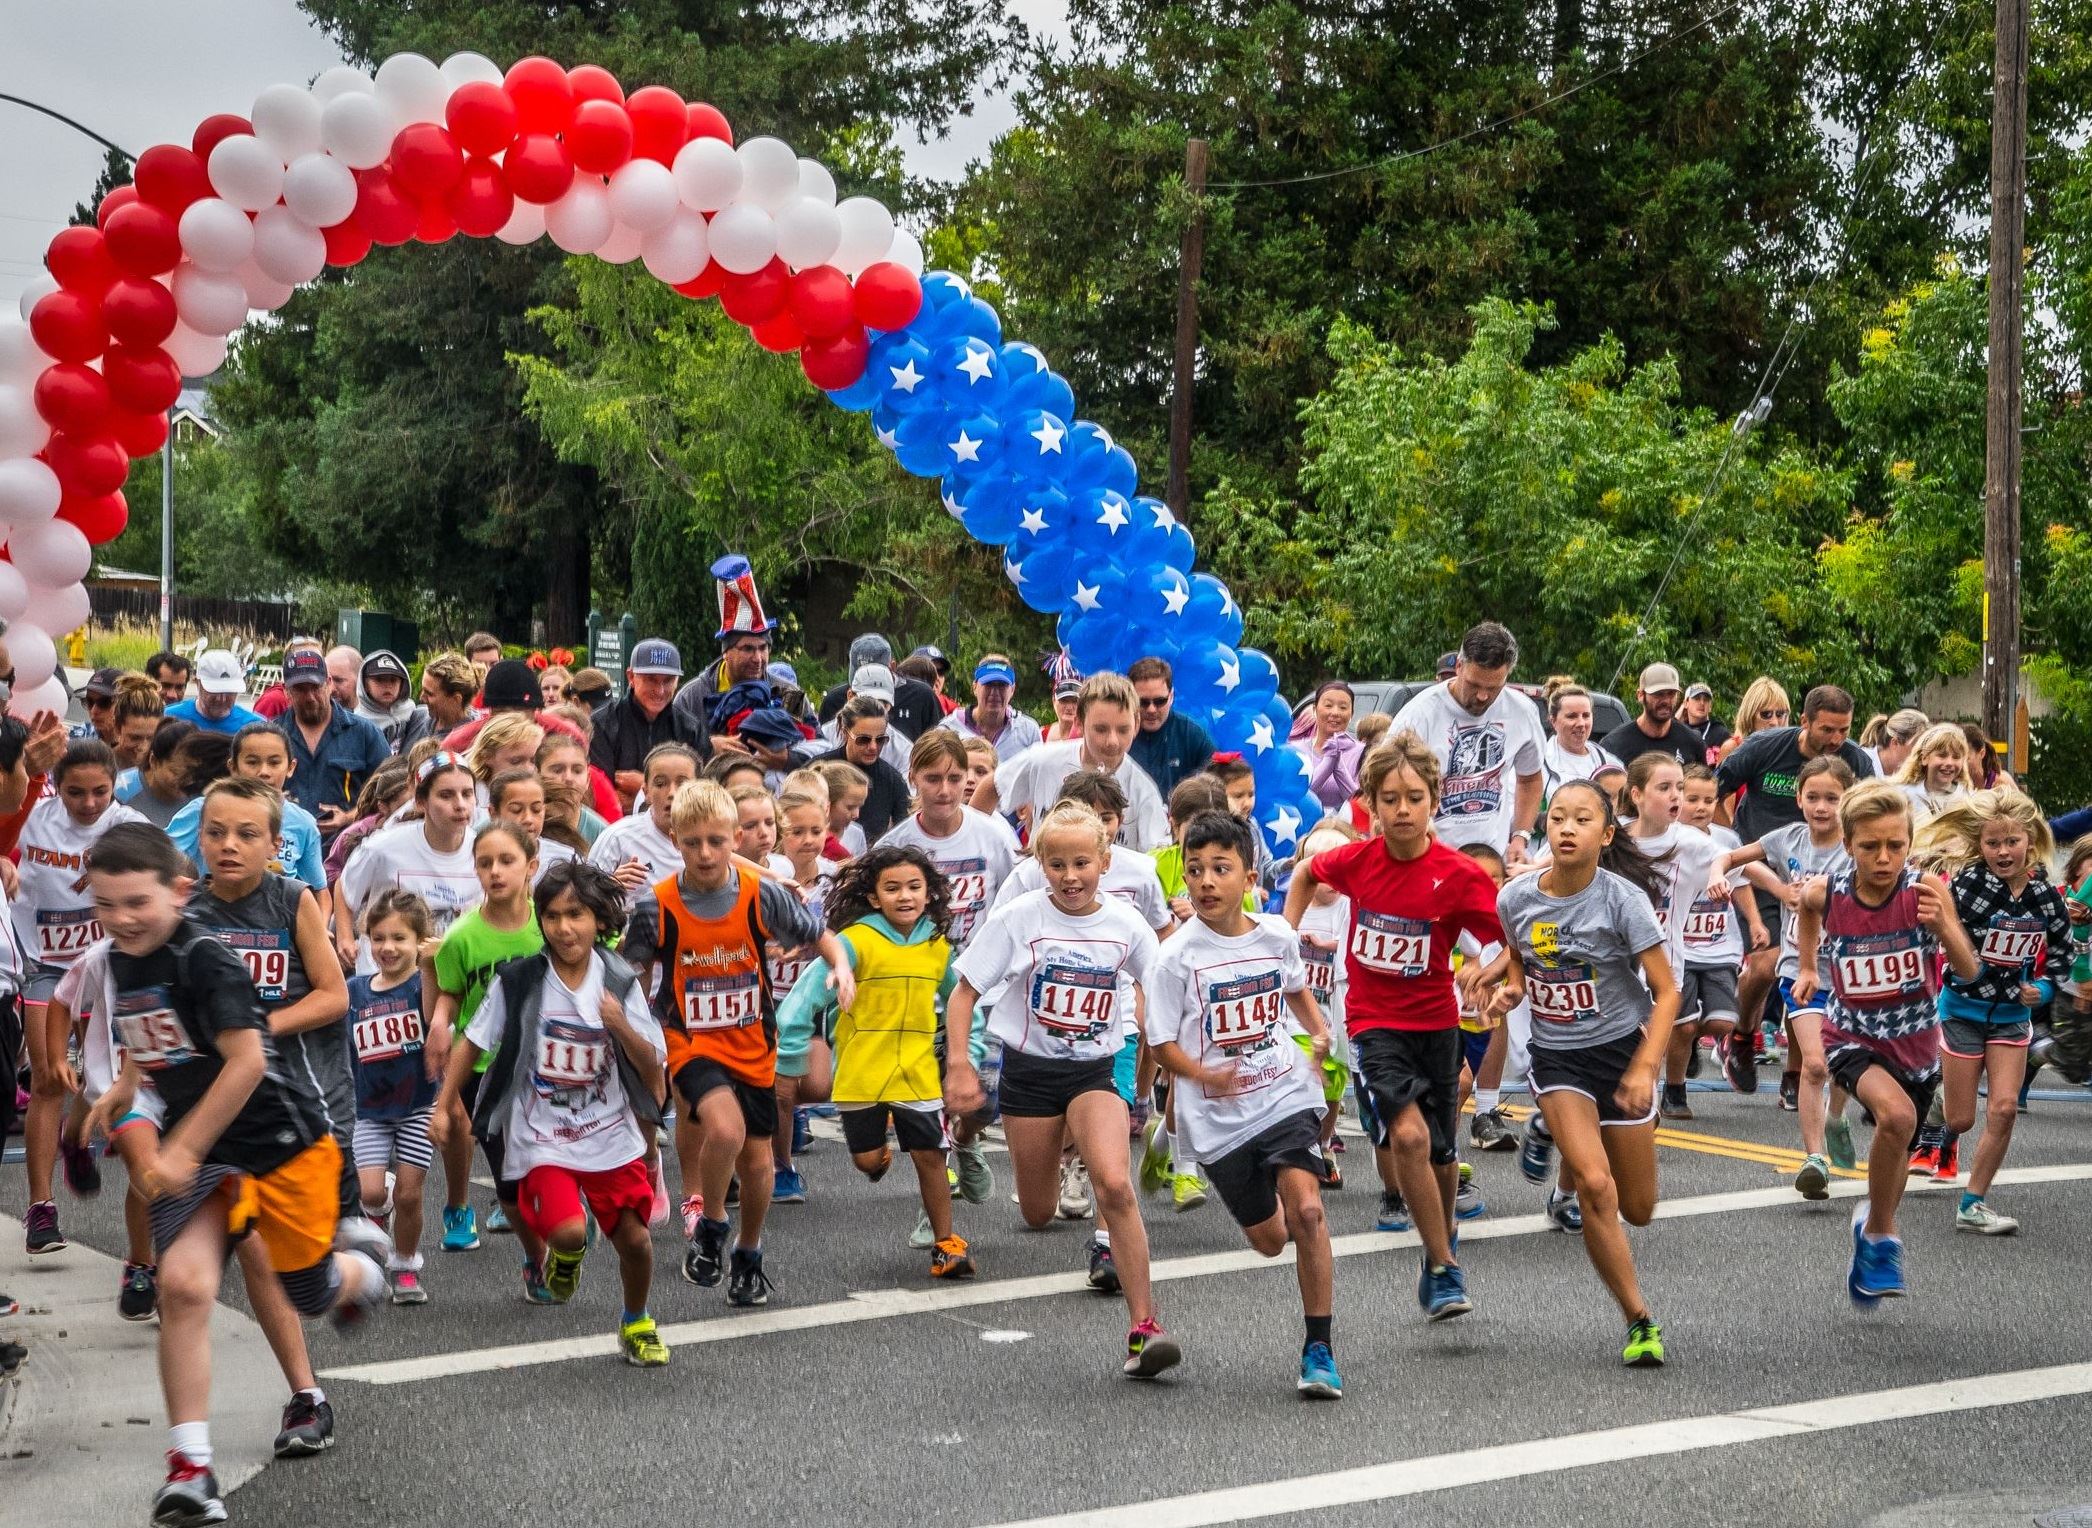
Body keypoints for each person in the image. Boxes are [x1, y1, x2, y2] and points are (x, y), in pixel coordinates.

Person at [81, 823, 387, 1527]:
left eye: (136, 903)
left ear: (180, 893)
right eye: (105, 906)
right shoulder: (123, 954)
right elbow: (147, 1027)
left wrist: (181, 1149)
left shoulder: (207, 958)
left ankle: (362, 1267)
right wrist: (126, 1085)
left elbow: (247, 1063)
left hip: (280, 1141)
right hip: (210, 1148)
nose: (122, 920)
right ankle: (190, 1470)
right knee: (183, 1286)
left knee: (309, 1290)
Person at [944, 799, 1181, 1380]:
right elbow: (964, 992)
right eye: (1056, 865)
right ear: (1039, 864)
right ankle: (986, 1136)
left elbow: (1161, 987)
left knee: (1116, 1186)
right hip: (1029, 1071)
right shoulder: (1020, 917)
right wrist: (958, 1065)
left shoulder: (1125, 925)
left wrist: (1168, 1047)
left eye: (1081, 863)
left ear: (1104, 861)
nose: (1070, 877)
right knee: (1038, 1208)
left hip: (1094, 1070)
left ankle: (1144, 1327)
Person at [1282, 733, 1503, 1314]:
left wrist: (1500, 979)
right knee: (1407, 1137)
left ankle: (1441, 1237)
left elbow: (1508, 935)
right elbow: (1305, 873)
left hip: (1436, 1021)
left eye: (1413, 797)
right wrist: (1285, 938)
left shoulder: (1458, 874)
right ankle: (1442, 1265)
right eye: (1389, 799)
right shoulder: (1357, 861)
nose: (1402, 809)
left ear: (1434, 799)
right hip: (1374, 1020)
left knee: (1441, 1153)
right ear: (1372, 807)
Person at [623, 778, 847, 1303]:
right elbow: (630, 969)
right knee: (723, 1129)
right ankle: (713, 1224)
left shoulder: (759, 895)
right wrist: (632, 1030)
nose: (704, 853)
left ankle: (748, 1252)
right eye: (692, 841)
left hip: (753, 1044)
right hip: (692, 1043)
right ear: (674, 839)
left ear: (734, 840)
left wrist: (841, 967)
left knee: (758, 1161)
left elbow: (818, 933)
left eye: (716, 841)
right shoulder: (656, 907)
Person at [1482, 777, 1681, 1367]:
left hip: (1622, 1053)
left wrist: (1646, 1068)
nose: (1566, 829)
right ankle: (1639, 1319)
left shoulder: (1622, 900)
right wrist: (1509, 991)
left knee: (1638, 1208)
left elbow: (1667, 993)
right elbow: (1521, 962)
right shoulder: (1515, 898)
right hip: (1558, 1056)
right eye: (1558, 818)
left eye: (1582, 820)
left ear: (1606, 834)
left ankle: (1566, 1151)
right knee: (1598, 1188)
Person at [1145, 809, 1342, 1397]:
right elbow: (1161, 1043)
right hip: (1220, 1117)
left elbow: (1297, 990)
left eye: (1220, 869)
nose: (1205, 881)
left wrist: (1320, 1033)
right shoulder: (1176, 957)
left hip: (1284, 1090)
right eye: (1195, 869)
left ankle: (1319, 1349)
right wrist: (1204, 1073)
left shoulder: (1277, 935)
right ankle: (1170, 1144)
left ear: (1249, 876)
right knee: (1269, 1240)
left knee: (1308, 1212)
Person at [455, 858, 671, 1365]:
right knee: (570, 1231)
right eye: (551, 916)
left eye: (576, 914)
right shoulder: (522, 979)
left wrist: (618, 1025)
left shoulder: (618, 979)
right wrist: (448, 1107)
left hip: (609, 1130)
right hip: (541, 1133)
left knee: (636, 1241)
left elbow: (652, 1062)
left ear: (599, 919)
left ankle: (636, 1320)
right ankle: (562, 1259)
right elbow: (472, 1042)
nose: (563, 928)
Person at [1788, 781, 1979, 1304]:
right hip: (1851, 1035)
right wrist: (1809, 966)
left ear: (1909, 842)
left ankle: (1873, 1221)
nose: (1884, 857)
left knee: (1896, 1152)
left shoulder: (1926, 892)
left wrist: (1945, 927)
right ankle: (1880, 1238)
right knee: (1896, 1118)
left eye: (1895, 845)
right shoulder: (1831, 892)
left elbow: (1967, 967)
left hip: (1916, 1046)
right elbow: (1806, 909)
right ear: (1849, 844)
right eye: (1870, 846)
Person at [776, 845, 976, 1277]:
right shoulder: (854, 942)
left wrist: (970, 1056)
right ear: (873, 897)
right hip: (861, 1072)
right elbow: (803, 1001)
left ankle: (947, 1244)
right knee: (868, 1163)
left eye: (914, 887)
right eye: (892, 888)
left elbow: (962, 1001)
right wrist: (789, 1056)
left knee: (929, 1155)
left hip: (918, 1070)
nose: (904, 896)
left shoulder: (938, 946)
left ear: (929, 893)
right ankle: (879, 1153)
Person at [189, 777, 354, 1236]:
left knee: (318, 1242)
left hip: (306, 1085)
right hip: (226, 1087)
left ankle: (352, 1261)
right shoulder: (187, 913)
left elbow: (334, 996)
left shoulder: (292, 900)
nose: (229, 846)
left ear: (274, 845)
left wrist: (259, 1026)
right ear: (199, 837)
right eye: (216, 833)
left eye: (247, 834)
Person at [1915, 791, 2071, 1233]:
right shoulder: (1968, 886)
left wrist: (2040, 990)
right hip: (1963, 1009)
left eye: (2012, 842)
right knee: (1962, 1118)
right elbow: (1941, 939)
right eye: (1993, 843)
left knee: (2003, 1110)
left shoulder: (2046, 897)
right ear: (1979, 845)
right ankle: (1935, 1113)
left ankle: (1973, 1203)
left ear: (2031, 841)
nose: (2003, 852)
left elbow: (2061, 957)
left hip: (2010, 1019)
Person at [19, 739, 147, 1256]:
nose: (89, 804)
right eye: (76, 793)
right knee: (49, 1077)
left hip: (105, 968)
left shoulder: (130, 824)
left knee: (97, 1082)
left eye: (100, 792)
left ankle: (74, 1137)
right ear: (57, 787)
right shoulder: (36, 819)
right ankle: (41, 1209)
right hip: (42, 963)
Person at [1713, 683, 1873, 1094]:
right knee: (1767, 964)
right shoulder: (1766, 746)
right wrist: (1728, 841)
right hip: (1764, 868)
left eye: (1844, 730)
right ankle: (1744, 1036)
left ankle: (1796, 1074)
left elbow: (1873, 812)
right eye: (1827, 730)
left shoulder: (1854, 760)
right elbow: (1716, 790)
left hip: (1823, 875)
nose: (1836, 740)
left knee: (1813, 971)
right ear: (1804, 723)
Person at [1723, 756, 1858, 1189]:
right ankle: (1814, 1159)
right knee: (1815, 1065)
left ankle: (1836, 1117)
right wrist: (1778, 887)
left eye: (1832, 799)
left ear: (1847, 801)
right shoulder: (1787, 839)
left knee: (1843, 1065)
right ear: (1798, 798)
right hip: (1799, 971)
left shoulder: (1857, 846)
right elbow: (1735, 860)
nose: (1821, 807)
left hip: (1849, 971)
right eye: (1813, 797)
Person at [428, 821, 544, 1262]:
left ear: (530, 866)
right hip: (484, 1069)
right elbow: (452, 993)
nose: (495, 871)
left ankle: (557, 1215)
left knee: (546, 1156)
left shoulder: (548, 927)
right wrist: (440, 1023)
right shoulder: (461, 937)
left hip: (541, 1063)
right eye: (484, 863)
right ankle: (536, 1258)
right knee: (508, 1172)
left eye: (506, 861)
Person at [1614, 755, 1725, 1121]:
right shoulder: (1613, 838)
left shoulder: (1692, 843)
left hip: (1665, 963)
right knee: (1619, 1041)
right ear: (1637, 794)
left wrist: (1724, 876)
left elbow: (1738, 860)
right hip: (1616, 964)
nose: (1676, 795)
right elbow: (1560, 863)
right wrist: (1527, 870)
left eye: (1680, 787)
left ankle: (1649, 1099)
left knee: (1652, 1039)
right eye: (1664, 788)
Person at [1387, 621, 1545, 864]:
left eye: (1493, 688)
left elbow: (1530, 778)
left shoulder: (1522, 711)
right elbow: (1386, 787)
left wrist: (1520, 836)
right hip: (1430, 856)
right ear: (1459, 666)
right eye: (1474, 685)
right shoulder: (1418, 715)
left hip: (1491, 858)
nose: (1482, 696)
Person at [347, 889, 439, 1303]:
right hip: (369, 1110)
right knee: (369, 1193)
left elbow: (437, 1016)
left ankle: (404, 1263)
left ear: (420, 941)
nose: (387, 947)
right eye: (378, 937)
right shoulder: (355, 991)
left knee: (409, 1193)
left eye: (399, 938)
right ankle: (377, 1215)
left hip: (418, 1106)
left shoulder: (423, 985)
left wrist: (433, 966)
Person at [1663, 764, 1767, 1116]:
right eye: (1692, 799)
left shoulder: (1726, 842)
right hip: (1679, 948)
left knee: (1723, 1021)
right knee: (1685, 1023)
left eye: (1709, 800)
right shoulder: (1668, 839)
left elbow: (1740, 882)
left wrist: (1754, 921)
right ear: (1677, 800)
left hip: (1720, 946)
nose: (1701, 806)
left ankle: (1689, 1042)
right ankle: (1675, 1091)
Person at [976, 672, 1169, 849]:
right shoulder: (1042, 760)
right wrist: (973, 847)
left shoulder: (1144, 793)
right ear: (1079, 723)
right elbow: (992, 787)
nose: (1112, 741)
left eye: (1123, 730)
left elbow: (1156, 861)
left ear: (1136, 725)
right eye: (1101, 729)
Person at [336, 753, 484, 969]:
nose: (460, 805)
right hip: (383, 972)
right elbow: (345, 886)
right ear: (421, 802)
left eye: (467, 794)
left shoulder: (483, 850)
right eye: (446, 795)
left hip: (449, 971)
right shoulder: (384, 846)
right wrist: (345, 938)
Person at [167, 723, 328, 894]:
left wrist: (319, 920)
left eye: (274, 762)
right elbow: (163, 860)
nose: (263, 772)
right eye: (252, 762)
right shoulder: (203, 810)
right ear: (233, 768)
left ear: (290, 767)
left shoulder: (304, 823)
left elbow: (320, 890)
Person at [674, 554, 791, 750]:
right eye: (747, 649)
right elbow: (670, 751)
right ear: (726, 652)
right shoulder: (691, 697)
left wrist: (788, 759)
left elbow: (816, 743)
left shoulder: (788, 692)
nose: (758, 658)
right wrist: (707, 748)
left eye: (763, 648)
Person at [276, 649, 390, 842]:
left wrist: (348, 817)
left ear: (328, 683)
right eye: (301, 689)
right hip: (285, 854)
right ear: (286, 691)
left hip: (346, 851)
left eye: (315, 687)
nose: (310, 697)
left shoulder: (364, 734)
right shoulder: (271, 736)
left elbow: (391, 794)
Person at [591, 638, 712, 812]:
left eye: (668, 680)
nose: (660, 690)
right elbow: (604, 796)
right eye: (651, 680)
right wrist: (671, 792)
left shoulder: (690, 728)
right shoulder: (602, 724)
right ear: (631, 677)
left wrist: (641, 789)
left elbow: (703, 794)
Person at [587, 743, 702, 894]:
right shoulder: (618, 837)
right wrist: (608, 887)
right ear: (646, 792)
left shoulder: (712, 840)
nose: (672, 793)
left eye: (682, 783)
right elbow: (585, 898)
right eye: (660, 784)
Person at [815, 632, 945, 742]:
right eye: (860, 675)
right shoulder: (834, 700)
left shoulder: (921, 696)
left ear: (892, 667)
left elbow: (939, 746)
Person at [1126, 657, 1218, 801]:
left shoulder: (1191, 734)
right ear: (1130, 698)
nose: (1151, 709)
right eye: (1142, 702)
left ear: (1171, 697)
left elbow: (1218, 785)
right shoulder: (1117, 732)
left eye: (1159, 701)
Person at [1599, 662, 1709, 770]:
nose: (1666, 701)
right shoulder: (1614, 745)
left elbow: (1703, 785)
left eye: (1671, 693)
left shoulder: (1693, 742)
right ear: (1640, 695)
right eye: (1658, 694)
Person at [937, 653, 1041, 761]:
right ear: (975, 687)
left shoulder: (1028, 731)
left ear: (1012, 690)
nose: (994, 692)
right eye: (989, 684)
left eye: (1001, 685)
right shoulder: (949, 730)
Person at [814, 667, 915, 773]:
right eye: (867, 702)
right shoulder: (823, 737)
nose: (874, 709)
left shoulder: (903, 750)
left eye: (883, 704)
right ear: (850, 696)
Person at [1541, 682, 1621, 801]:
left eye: (1586, 715)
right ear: (1553, 721)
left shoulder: (1612, 765)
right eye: (1572, 716)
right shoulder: (1536, 765)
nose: (1581, 723)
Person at [1293, 681, 1363, 813]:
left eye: (1343, 707)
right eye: (1328, 705)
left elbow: (1362, 805)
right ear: (1314, 710)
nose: (1335, 712)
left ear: (1351, 714)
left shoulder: (1363, 752)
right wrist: (1329, 761)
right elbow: (1297, 798)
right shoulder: (1296, 750)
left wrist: (1337, 764)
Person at [117, 718, 198, 830]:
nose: (187, 781)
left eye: (194, 772)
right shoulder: (120, 791)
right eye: (176, 772)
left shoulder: (202, 795)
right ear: (153, 761)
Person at [165, 649, 266, 737]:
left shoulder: (255, 727)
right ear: (198, 683)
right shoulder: (169, 718)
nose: (221, 699)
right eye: (214, 691)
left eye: (229, 692)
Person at [1896, 722, 1976, 823]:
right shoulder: (1902, 795)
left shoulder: (1968, 800)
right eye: (1942, 756)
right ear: (1924, 758)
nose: (1949, 763)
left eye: (1956, 757)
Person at [355, 650, 430, 753]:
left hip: (410, 764)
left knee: (424, 713)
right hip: (376, 767)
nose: (387, 685)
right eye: (379, 679)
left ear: (402, 684)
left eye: (393, 680)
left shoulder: (413, 713)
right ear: (365, 685)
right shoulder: (357, 722)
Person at [109, 675, 165, 773]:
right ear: (117, 727)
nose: (144, 747)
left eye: (152, 738)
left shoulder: (166, 768)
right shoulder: (101, 767)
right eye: (135, 738)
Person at [418, 652, 481, 738]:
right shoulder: (417, 717)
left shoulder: (474, 739)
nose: (421, 698)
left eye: (429, 694)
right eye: (423, 690)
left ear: (456, 699)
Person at [1865, 708, 1929, 780]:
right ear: (1895, 743)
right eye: (1916, 746)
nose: (1923, 753)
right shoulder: (1860, 764)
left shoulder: (1918, 775)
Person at [74, 666, 125, 743]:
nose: (94, 711)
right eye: (89, 701)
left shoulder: (139, 743)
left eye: (104, 703)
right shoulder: (78, 737)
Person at [1682, 682, 1730, 753]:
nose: (1702, 703)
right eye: (1697, 698)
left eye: (1706, 700)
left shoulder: (1720, 734)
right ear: (1686, 703)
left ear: (1710, 706)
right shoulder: (1679, 731)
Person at [1043, 659, 1083, 743]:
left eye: (1075, 701)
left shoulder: (1089, 738)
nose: (1069, 707)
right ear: (1054, 700)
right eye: (1064, 700)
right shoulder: (1041, 734)